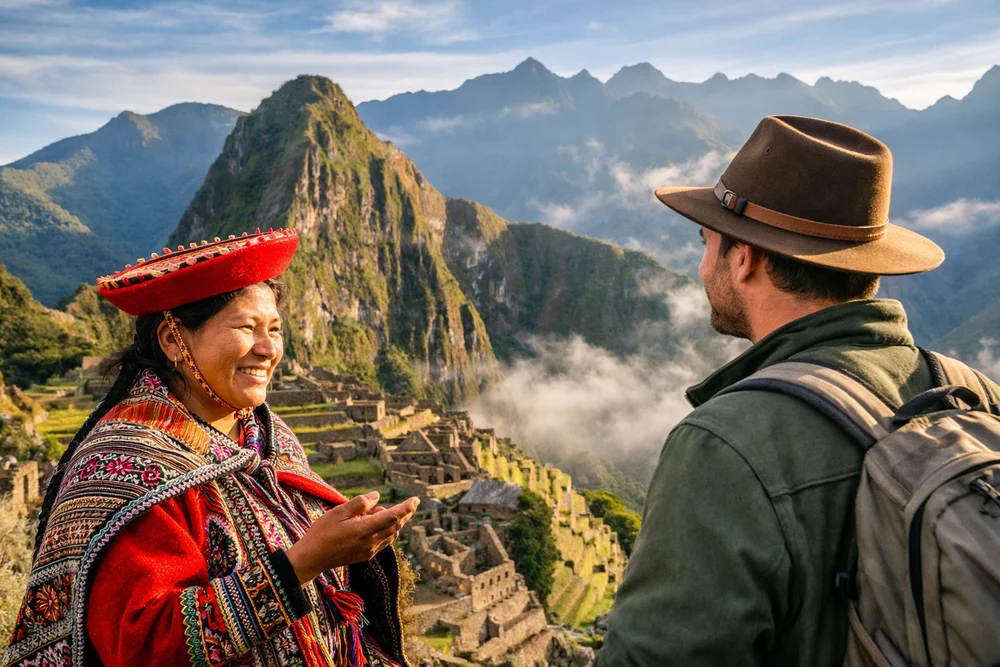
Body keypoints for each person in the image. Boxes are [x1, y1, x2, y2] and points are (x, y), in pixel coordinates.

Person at [594, 116, 1000, 666]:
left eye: (707, 241)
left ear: (745, 258)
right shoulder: (976, 393)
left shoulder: (726, 445)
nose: (700, 263)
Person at [4, 228, 420, 667]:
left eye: (275, 330)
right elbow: (140, 645)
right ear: (173, 340)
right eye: (246, 327)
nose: (267, 349)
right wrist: (299, 565)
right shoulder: (125, 468)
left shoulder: (267, 437)